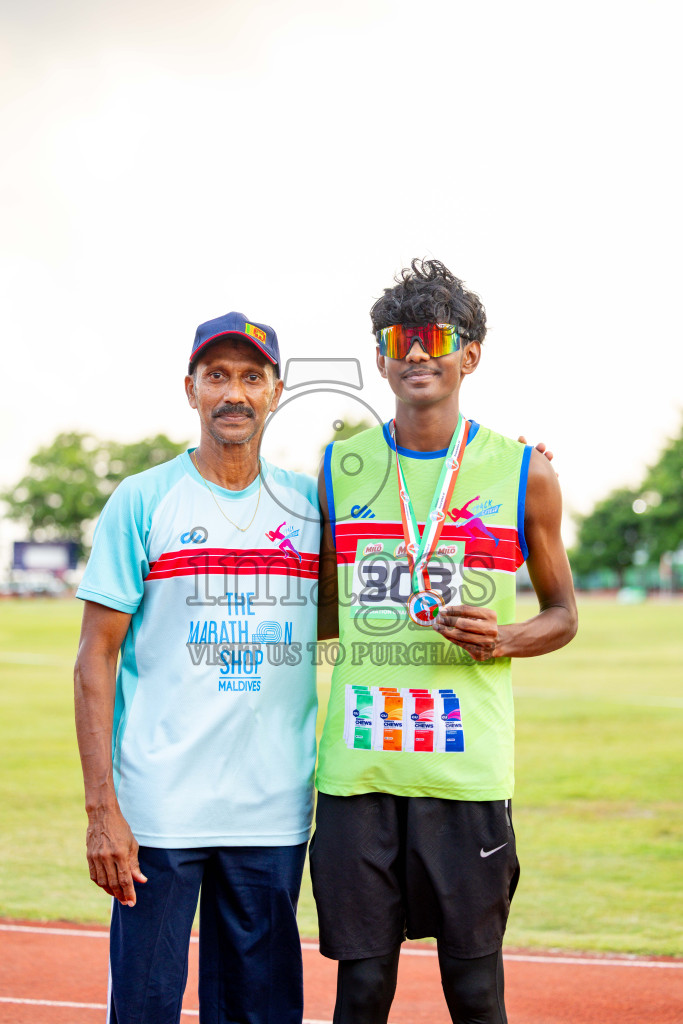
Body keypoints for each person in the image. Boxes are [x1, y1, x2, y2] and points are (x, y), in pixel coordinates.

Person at [311, 260, 578, 1024]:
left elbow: (561, 616)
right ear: (380, 357)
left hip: (464, 771)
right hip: (357, 772)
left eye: (436, 337)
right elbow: (323, 615)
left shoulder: (523, 472)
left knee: (474, 991)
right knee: (360, 991)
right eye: (400, 339)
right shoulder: (338, 466)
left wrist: (503, 641)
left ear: (470, 353)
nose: (417, 353)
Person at [73, 312, 320, 1024]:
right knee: (145, 1006)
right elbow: (95, 659)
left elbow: (410, 522)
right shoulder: (143, 499)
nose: (233, 393)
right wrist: (102, 812)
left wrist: (517, 470)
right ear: (191, 390)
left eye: (251, 376)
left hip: (271, 809)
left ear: (277, 390)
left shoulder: (310, 505)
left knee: (260, 1012)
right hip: (158, 810)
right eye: (217, 376)